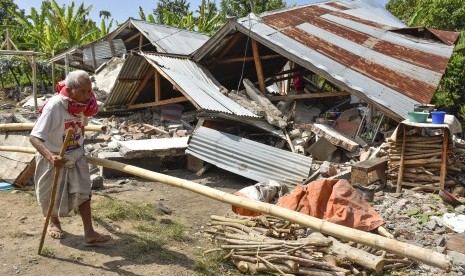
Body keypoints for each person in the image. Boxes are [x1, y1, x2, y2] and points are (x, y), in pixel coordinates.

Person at [30, 70, 111, 245]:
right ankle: (54, 222)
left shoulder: (85, 104)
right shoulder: (54, 106)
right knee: (50, 193)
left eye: (89, 90)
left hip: (75, 153)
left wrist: (79, 144)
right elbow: (34, 137)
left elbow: (81, 127)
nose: (88, 95)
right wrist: (51, 157)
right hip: (52, 153)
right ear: (70, 89)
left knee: (84, 192)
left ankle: (89, 232)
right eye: (83, 91)